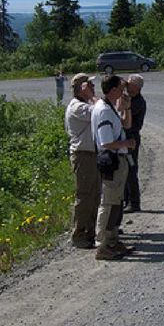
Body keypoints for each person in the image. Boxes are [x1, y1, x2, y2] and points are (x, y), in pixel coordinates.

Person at [91, 75, 137, 260]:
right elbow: (106, 141)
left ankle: (112, 239)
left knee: (116, 201)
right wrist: (127, 142)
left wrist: (126, 108)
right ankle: (101, 245)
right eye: (120, 87)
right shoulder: (103, 111)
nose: (123, 91)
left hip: (118, 160)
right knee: (108, 203)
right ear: (112, 90)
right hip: (111, 161)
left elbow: (126, 124)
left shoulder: (110, 108)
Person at [64, 73, 100, 249]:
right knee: (84, 196)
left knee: (94, 196)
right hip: (83, 155)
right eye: (89, 86)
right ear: (81, 88)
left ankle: (91, 232)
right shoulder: (77, 107)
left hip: (92, 154)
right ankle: (78, 234)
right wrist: (91, 96)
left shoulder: (85, 104)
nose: (93, 88)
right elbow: (97, 112)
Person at [123, 74, 147, 212]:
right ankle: (127, 200)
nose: (127, 84)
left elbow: (129, 121)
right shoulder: (131, 99)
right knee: (125, 170)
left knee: (131, 169)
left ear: (136, 87)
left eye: (129, 83)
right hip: (127, 138)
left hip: (131, 139)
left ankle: (134, 202)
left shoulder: (137, 102)